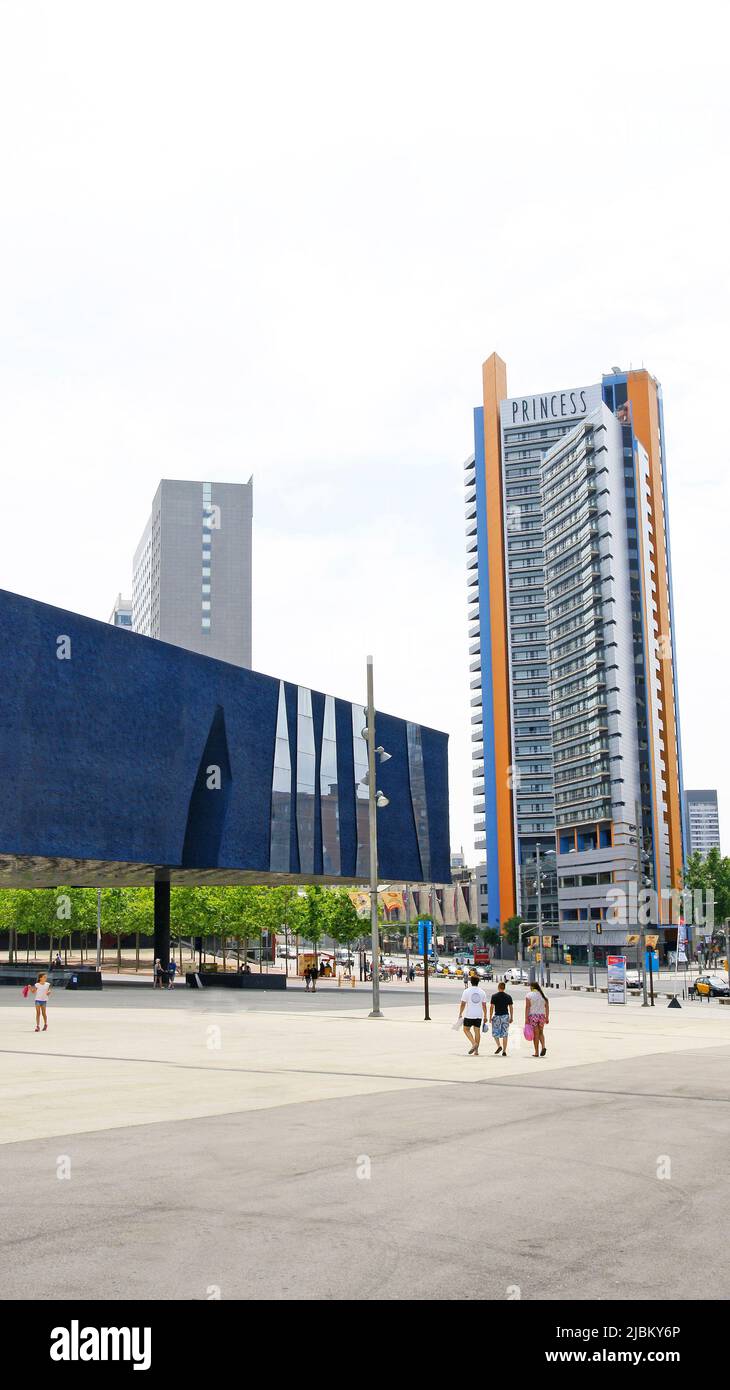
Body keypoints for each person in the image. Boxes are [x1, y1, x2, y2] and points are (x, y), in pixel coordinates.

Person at [458, 973, 488, 1056]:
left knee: (466, 1029)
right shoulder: (482, 992)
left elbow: (463, 1004)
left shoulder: (466, 991)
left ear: (471, 982)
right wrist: (485, 1016)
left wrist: (460, 1013)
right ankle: (476, 1051)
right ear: (478, 982)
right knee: (477, 1031)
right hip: (479, 1015)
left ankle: (473, 1043)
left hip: (469, 1014)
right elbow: (484, 1005)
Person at [525, 979, 549, 1057]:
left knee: (536, 1034)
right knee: (541, 1033)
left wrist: (526, 1018)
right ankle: (543, 1047)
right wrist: (547, 1017)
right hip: (542, 1016)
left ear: (532, 987)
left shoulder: (529, 995)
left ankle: (536, 1052)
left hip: (533, 1016)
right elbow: (547, 1007)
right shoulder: (544, 995)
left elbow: (527, 1007)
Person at [489, 980, 514, 1056]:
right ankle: (504, 1051)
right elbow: (511, 1007)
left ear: (498, 987)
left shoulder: (494, 996)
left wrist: (490, 1016)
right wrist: (511, 1017)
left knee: (495, 1032)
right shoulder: (508, 996)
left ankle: (499, 1046)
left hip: (497, 1016)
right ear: (504, 988)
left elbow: (492, 1007)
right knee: (505, 1034)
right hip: (505, 1016)